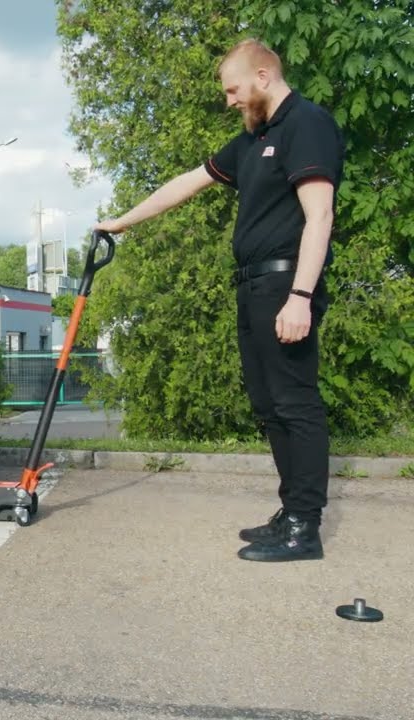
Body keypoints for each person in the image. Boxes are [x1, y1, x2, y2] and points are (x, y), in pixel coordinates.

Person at [93, 38, 345, 562]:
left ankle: (306, 527)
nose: (229, 101)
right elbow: (188, 182)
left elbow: (320, 216)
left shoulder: (307, 124)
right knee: (267, 404)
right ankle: (290, 511)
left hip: (285, 284)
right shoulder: (253, 140)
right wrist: (122, 221)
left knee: (296, 403)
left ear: (262, 75)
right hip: (251, 285)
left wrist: (300, 296)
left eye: (233, 90)